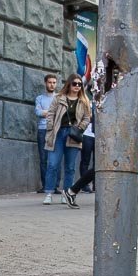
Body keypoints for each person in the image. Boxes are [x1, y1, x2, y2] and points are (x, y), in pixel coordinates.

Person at [42, 74, 91, 204]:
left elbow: (87, 117)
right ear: (69, 84)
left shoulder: (84, 100)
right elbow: (51, 113)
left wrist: (80, 128)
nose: (77, 86)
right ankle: (48, 193)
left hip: (73, 136)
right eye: (74, 83)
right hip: (58, 134)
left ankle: (66, 193)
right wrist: (50, 128)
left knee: (70, 167)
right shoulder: (59, 98)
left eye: (79, 84)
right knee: (52, 164)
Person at [35, 74, 58, 193]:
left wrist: (46, 112)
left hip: (55, 130)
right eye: (50, 82)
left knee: (55, 158)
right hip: (42, 130)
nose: (52, 84)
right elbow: (38, 112)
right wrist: (51, 112)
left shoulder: (59, 98)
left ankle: (55, 186)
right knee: (43, 159)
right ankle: (45, 186)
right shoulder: (39, 98)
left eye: (54, 82)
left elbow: (59, 114)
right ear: (45, 83)